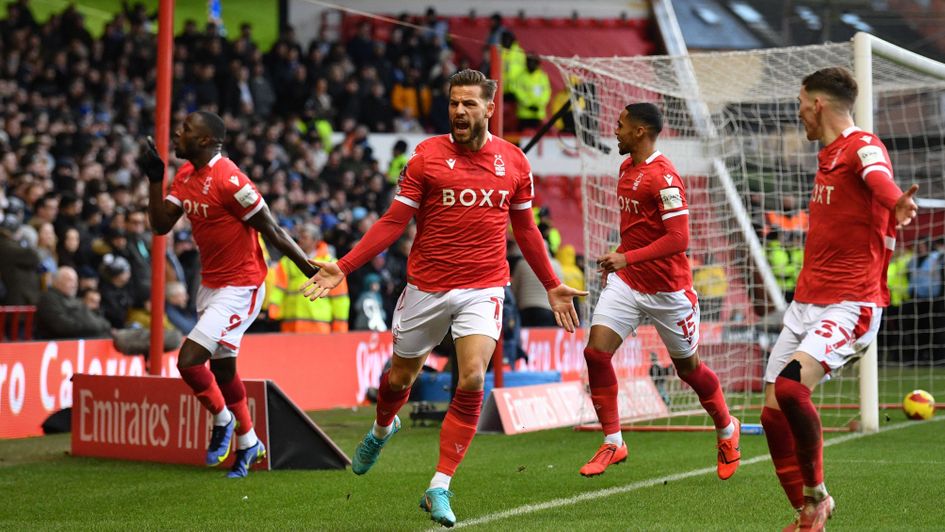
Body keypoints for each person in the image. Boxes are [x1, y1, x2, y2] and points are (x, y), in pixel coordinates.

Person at [300, 69, 585, 527]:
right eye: (454, 103)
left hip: (484, 287)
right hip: (426, 287)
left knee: (471, 377)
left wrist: (551, 283)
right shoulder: (426, 156)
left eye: (469, 103)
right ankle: (382, 427)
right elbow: (394, 222)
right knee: (400, 378)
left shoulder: (514, 162)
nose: (459, 111)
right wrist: (346, 266)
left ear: (489, 108)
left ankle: (439, 485)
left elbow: (526, 229)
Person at [760, 67, 918, 531]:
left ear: (817, 104)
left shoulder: (862, 144)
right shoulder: (828, 155)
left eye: (800, 104)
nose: (798, 113)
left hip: (851, 303)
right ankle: (808, 511)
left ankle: (817, 497)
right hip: (806, 302)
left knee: (791, 388)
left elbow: (879, 176)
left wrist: (896, 201)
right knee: (771, 415)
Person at [140, 110, 319, 478]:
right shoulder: (185, 175)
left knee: (189, 361)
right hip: (211, 285)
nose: (177, 134)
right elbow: (160, 225)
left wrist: (310, 269)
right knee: (222, 370)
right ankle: (249, 442)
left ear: (205, 140)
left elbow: (272, 230)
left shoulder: (230, 179)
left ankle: (222, 420)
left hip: (242, 285)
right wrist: (154, 180)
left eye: (186, 130)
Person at [579, 103, 741, 480]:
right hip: (628, 282)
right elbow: (637, 230)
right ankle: (613, 441)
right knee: (595, 353)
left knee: (688, 370)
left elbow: (679, 239)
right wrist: (621, 258)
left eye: (620, 125)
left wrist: (626, 257)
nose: (614, 130)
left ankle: (726, 428)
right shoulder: (626, 169)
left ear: (639, 131)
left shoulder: (664, 178)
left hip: (669, 292)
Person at [35, 266, 111, 339]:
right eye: (70, 280)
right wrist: (91, 325)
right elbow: (63, 326)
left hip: (85, 338)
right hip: (61, 342)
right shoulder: (48, 299)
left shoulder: (75, 299)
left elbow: (103, 323)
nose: (74, 284)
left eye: (76, 281)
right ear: (57, 280)